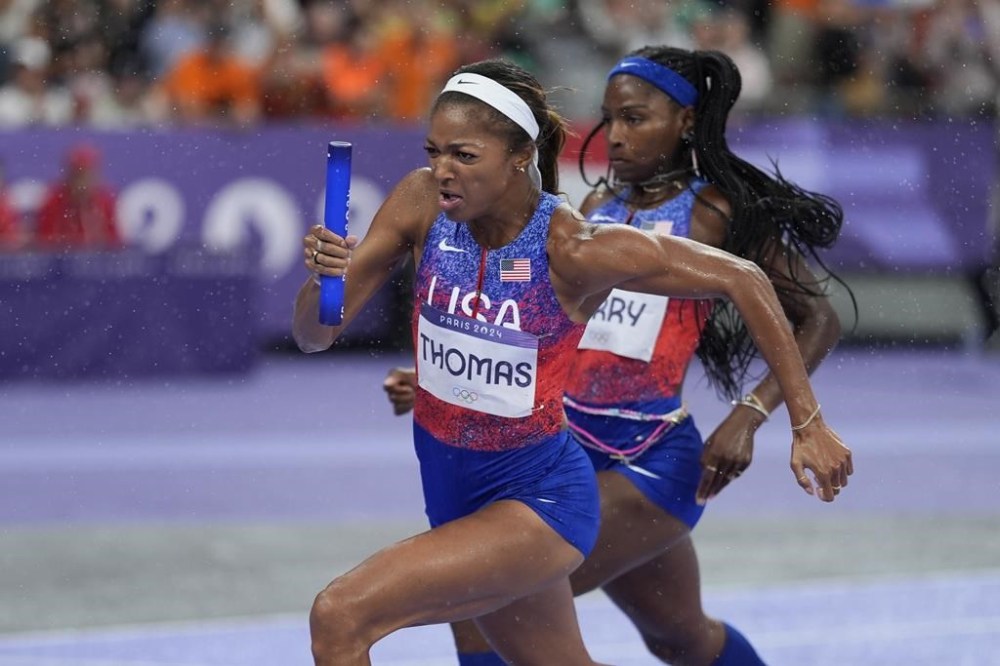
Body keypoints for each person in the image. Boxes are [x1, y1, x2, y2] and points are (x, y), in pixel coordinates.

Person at [295, 57, 852, 666]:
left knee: (344, 614)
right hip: (517, 461)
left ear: (519, 156)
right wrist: (328, 285)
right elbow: (317, 335)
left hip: (585, 481)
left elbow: (750, 280)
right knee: (677, 638)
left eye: (464, 155)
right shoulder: (436, 200)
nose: (442, 170)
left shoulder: (585, 243)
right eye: (434, 151)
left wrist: (793, 419)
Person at [35, 143, 121, 249]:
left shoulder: (105, 203)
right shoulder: (53, 203)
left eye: (86, 175)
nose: (82, 182)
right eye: (77, 175)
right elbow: (44, 245)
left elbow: (114, 245)